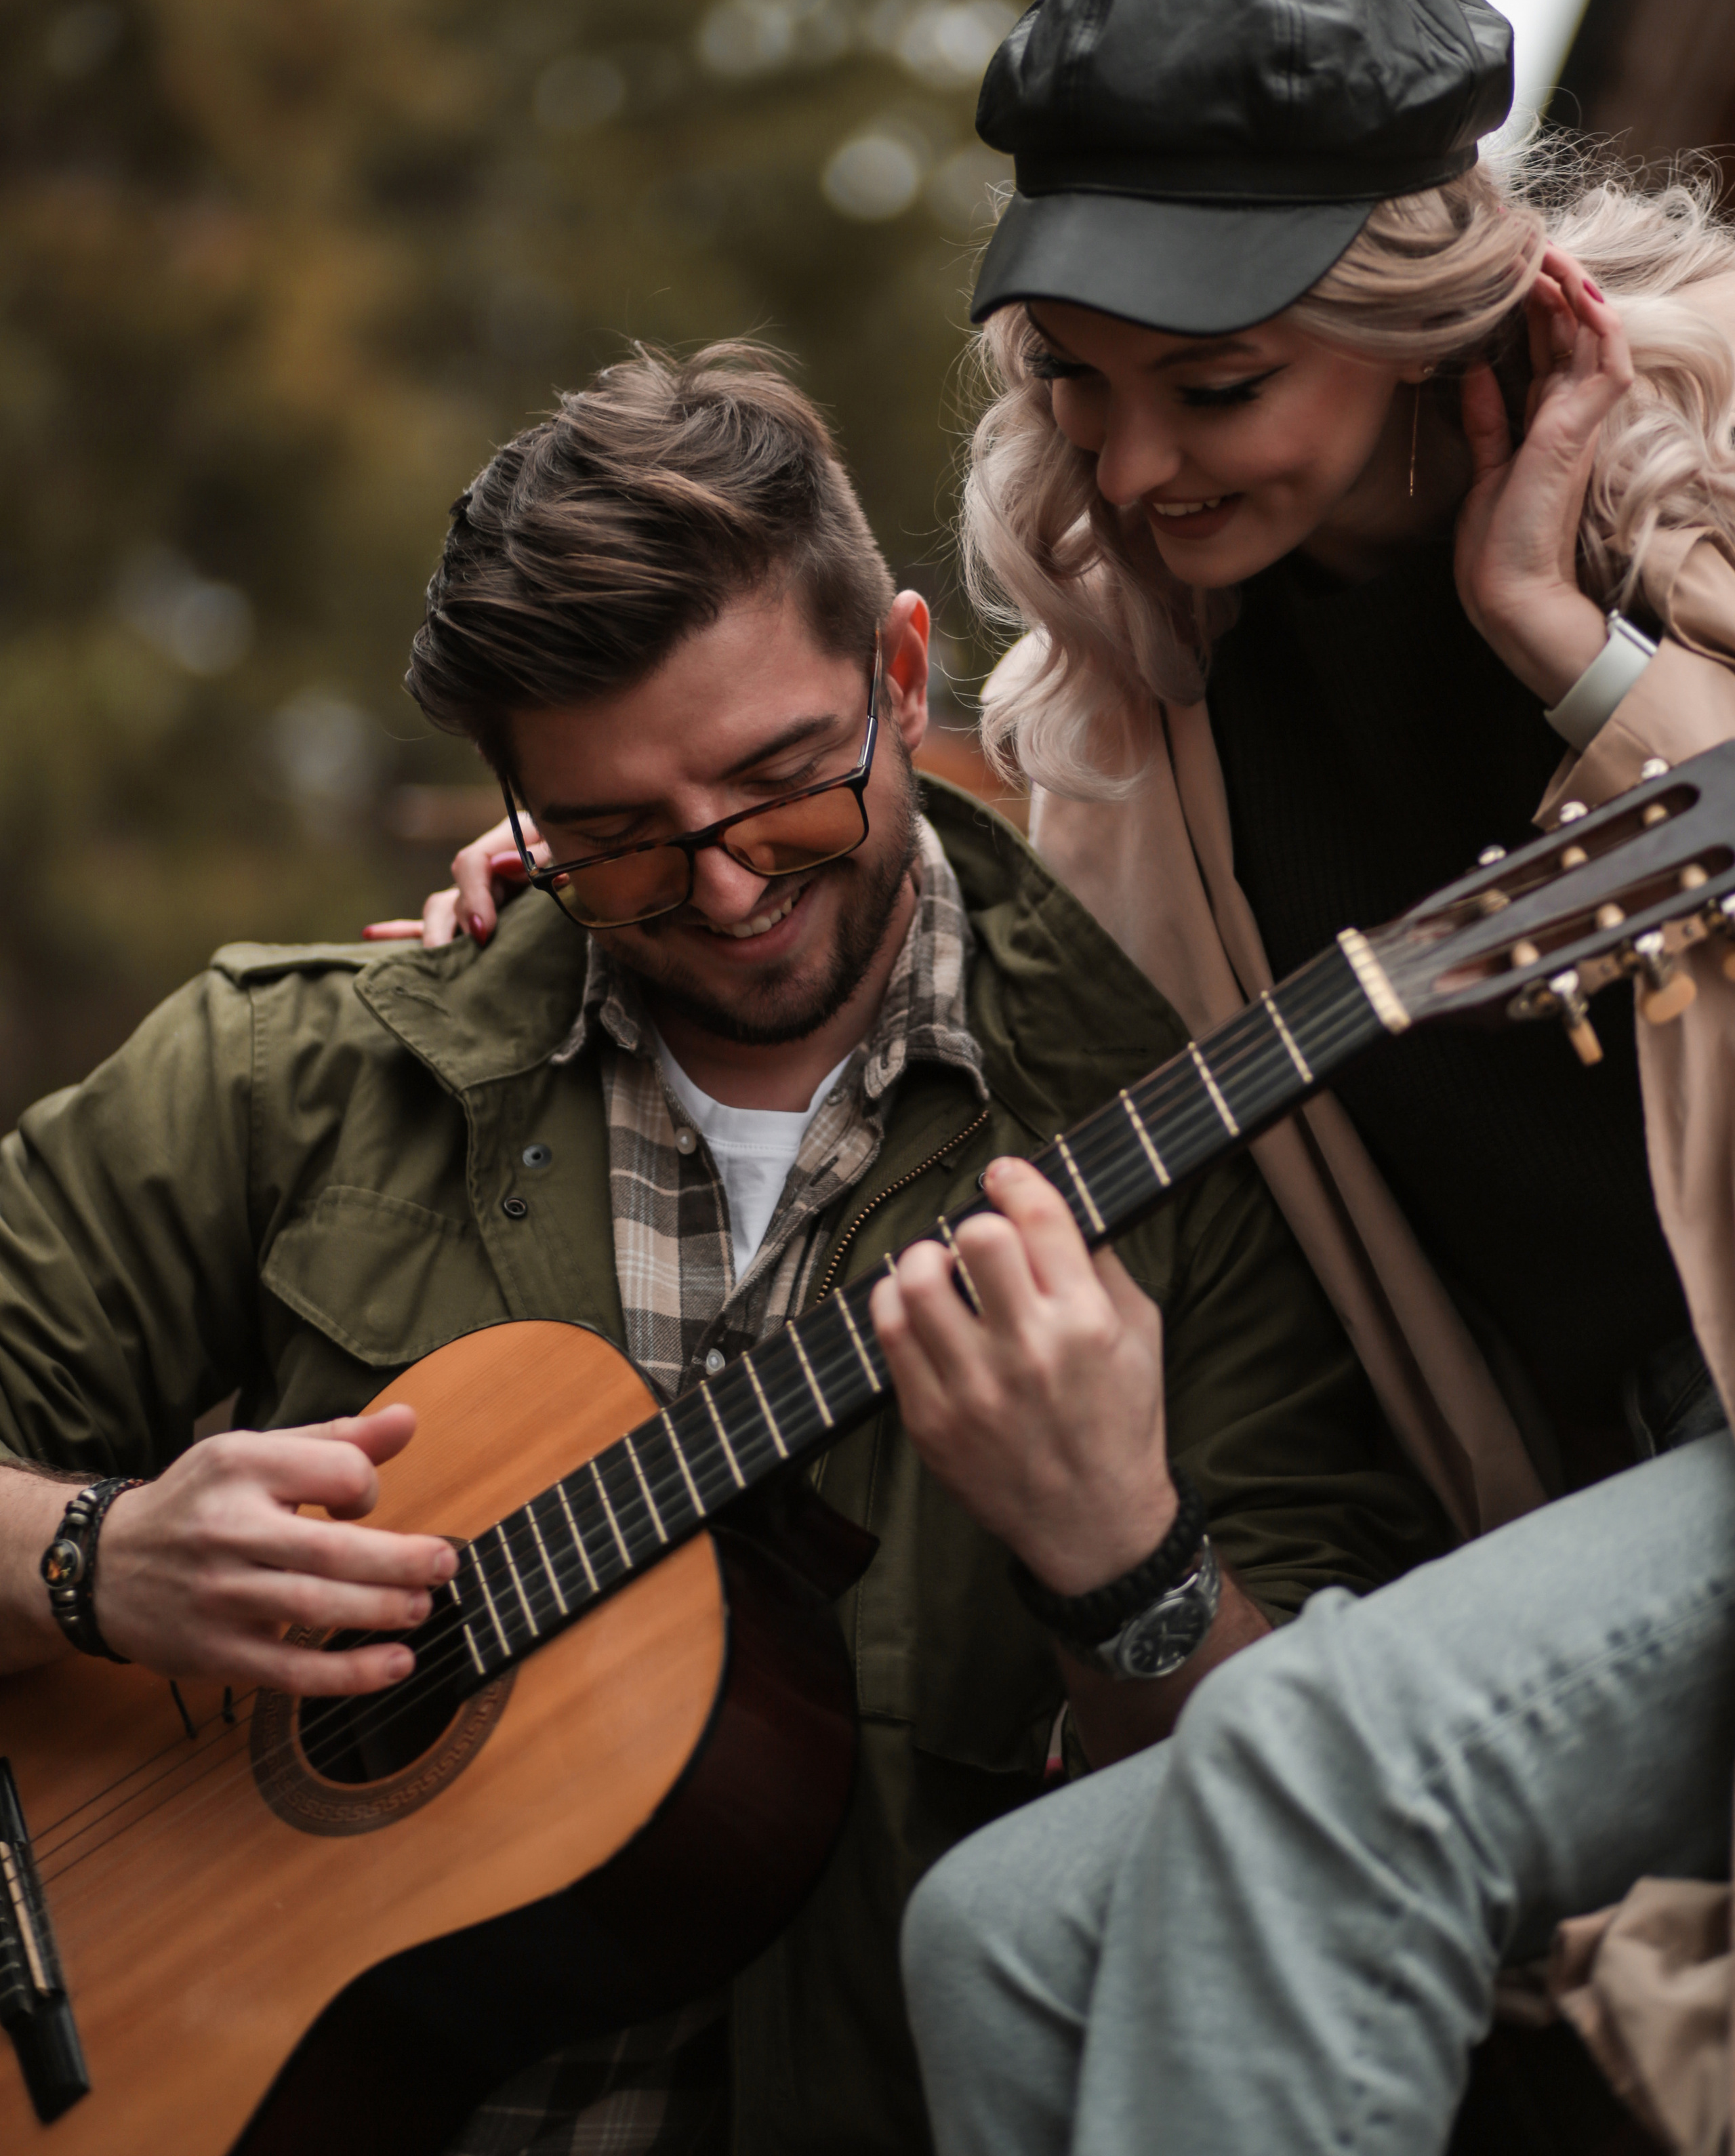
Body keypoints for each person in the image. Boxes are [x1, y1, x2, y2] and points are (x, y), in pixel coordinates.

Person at [0, 344, 1446, 2156]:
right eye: (617, 843)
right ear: (517, 814)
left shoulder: (1173, 1151)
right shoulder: (297, 1075)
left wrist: (1123, 1565)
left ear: (904, 674)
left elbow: (1350, 1867)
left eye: (783, 786)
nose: (733, 890)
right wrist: (89, 1557)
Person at [886, 0, 1735, 2152]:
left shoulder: (1712, 474)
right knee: (1004, 1934)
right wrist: (563, 898)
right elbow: (962, 971)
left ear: (1419, 305)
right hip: (1597, 1498)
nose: (1139, 470)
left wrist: (1557, 632)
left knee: (1310, 1759)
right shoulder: (1137, 712)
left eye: (1217, 383)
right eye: (1084, 390)